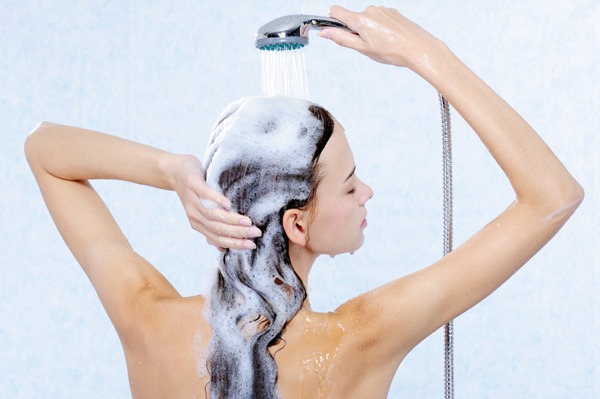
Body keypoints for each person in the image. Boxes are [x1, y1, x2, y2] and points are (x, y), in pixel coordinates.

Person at [25, 5, 583, 399]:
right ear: (296, 223)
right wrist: (426, 54)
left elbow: (43, 149)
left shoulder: (144, 317)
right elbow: (552, 197)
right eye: (349, 183)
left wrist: (172, 171)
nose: (367, 192)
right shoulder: (361, 338)